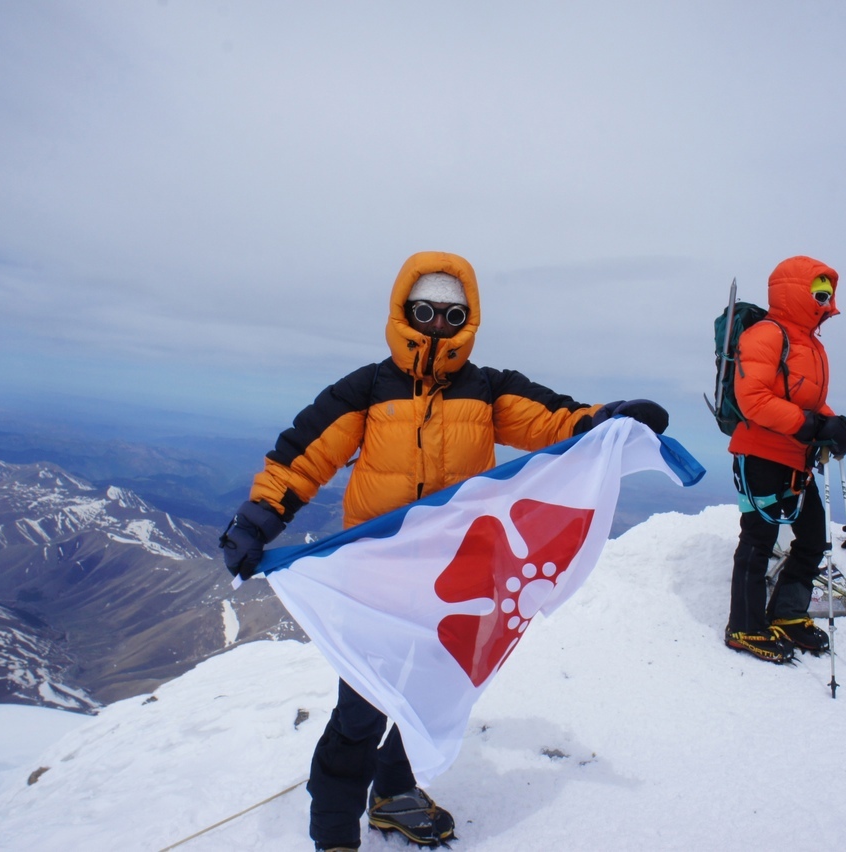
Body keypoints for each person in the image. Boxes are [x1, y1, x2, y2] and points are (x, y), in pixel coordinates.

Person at [220, 250, 668, 851]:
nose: (436, 325)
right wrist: (257, 521)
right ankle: (333, 833)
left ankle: (395, 793)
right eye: (424, 311)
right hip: (378, 573)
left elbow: (556, 420)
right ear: (403, 311)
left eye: (450, 314)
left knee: (433, 688)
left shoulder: (487, 390)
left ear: (468, 320)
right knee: (362, 707)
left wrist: (609, 421)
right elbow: (304, 455)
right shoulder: (367, 388)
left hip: (455, 577)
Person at [724, 256, 846, 664]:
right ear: (795, 291)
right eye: (818, 292)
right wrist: (814, 425)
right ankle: (744, 627)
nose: (825, 300)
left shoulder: (810, 344)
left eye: (828, 293)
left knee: (813, 539)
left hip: (796, 460)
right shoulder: (766, 335)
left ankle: (787, 615)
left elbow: (808, 402)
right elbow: (754, 401)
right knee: (758, 542)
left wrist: (837, 426)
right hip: (760, 456)